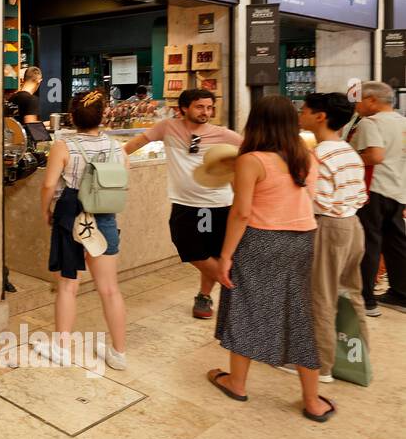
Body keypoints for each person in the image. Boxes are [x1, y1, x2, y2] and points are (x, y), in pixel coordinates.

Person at [207, 96, 332, 421]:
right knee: (298, 311)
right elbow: (308, 197)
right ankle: (312, 401)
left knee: (246, 305)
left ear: (256, 123)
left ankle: (237, 383)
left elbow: (242, 212)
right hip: (302, 240)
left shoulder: (253, 160)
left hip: (262, 239)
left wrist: (225, 255)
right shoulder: (305, 156)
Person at [124, 88, 242, 320]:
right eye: (200, 107)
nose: (205, 112)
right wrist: (110, 159)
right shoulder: (167, 127)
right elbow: (134, 144)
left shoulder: (223, 134)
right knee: (188, 248)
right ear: (184, 108)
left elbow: (252, 152)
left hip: (219, 204)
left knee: (212, 252)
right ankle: (234, 285)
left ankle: (204, 296)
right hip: (185, 205)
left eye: (209, 107)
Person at [40, 90, 128, 369]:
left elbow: (48, 185)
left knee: (68, 286)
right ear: (103, 116)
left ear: (71, 116)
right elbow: (123, 182)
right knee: (110, 289)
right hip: (104, 219)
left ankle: (62, 347)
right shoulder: (117, 148)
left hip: (71, 218)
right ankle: (119, 353)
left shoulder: (63, 146)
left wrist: (46, 210)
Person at [295, 93, 367, 381]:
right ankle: (356, 357)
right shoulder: (348, 151)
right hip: (352, 224)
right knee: (351, 292)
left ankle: (321, 364)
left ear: (320, 116)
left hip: (328, 226)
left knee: (320, 296)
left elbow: (318, 200)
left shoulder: (319, 155)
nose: (301, 115)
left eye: (305, 111)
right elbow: (361, 194)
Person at [350, 81, 406, 316]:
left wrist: (349, 157)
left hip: (374, 190)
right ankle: (401, 294)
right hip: (398, 188)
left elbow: (375, 155)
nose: (356, 106)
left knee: (369, 243)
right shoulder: (403, 122)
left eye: (359, 100)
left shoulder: (370, 123)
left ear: (372, 100)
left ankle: (366, 300)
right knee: (397, 242)